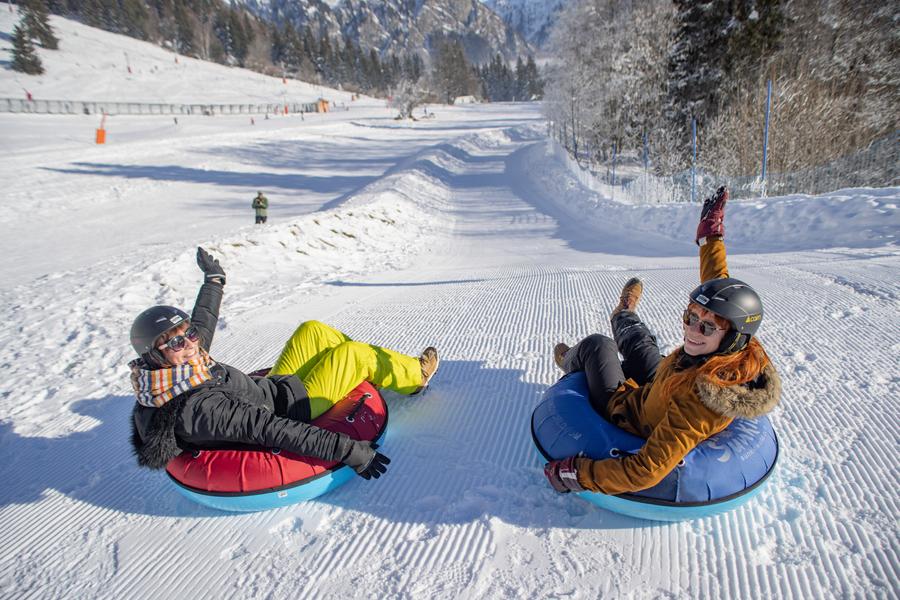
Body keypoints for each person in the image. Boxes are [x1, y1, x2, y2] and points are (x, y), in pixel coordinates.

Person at [544, 186, 781, 496]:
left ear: (732, 337)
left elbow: (644, 472)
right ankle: (624, 312)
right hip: (663, 387)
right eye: (690, 317)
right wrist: (711, 236)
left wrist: (575, 474)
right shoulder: (738, 351)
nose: (692, 331)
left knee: (598, 346)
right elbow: (717, 280)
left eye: (707, 327)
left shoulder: (698, 404)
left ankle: (568, 360)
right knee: (642, 344)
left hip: (628, 410)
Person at [128, 248, 440, 481]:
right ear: (154, 356)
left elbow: (202, 325)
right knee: (354, 354)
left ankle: (367, 370)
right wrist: (350, 452)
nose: (192, 343)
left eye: (189, 334)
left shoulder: (178, 371)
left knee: (312, 330)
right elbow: (273, 430)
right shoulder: (201, 408)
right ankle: (416, 377)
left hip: (273, 389)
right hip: (293, 408)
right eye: (176, 342)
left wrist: (214, 281)